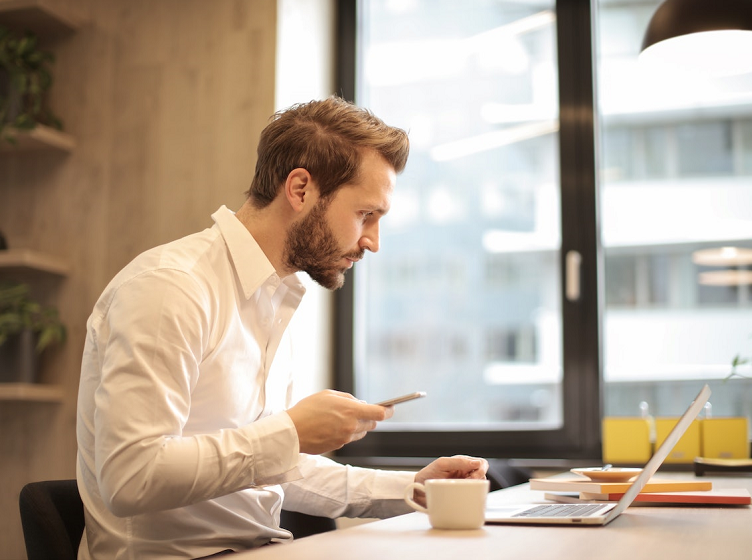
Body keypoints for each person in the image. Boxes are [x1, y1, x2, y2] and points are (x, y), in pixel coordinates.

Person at [76, 96, 489, 559]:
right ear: (299, 189)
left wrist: (410, 489)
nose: (372, 242)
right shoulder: (171, 288)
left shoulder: (274, 298)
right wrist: (289, 432)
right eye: (365, 215)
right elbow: (131, 478)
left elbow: (263, 467)